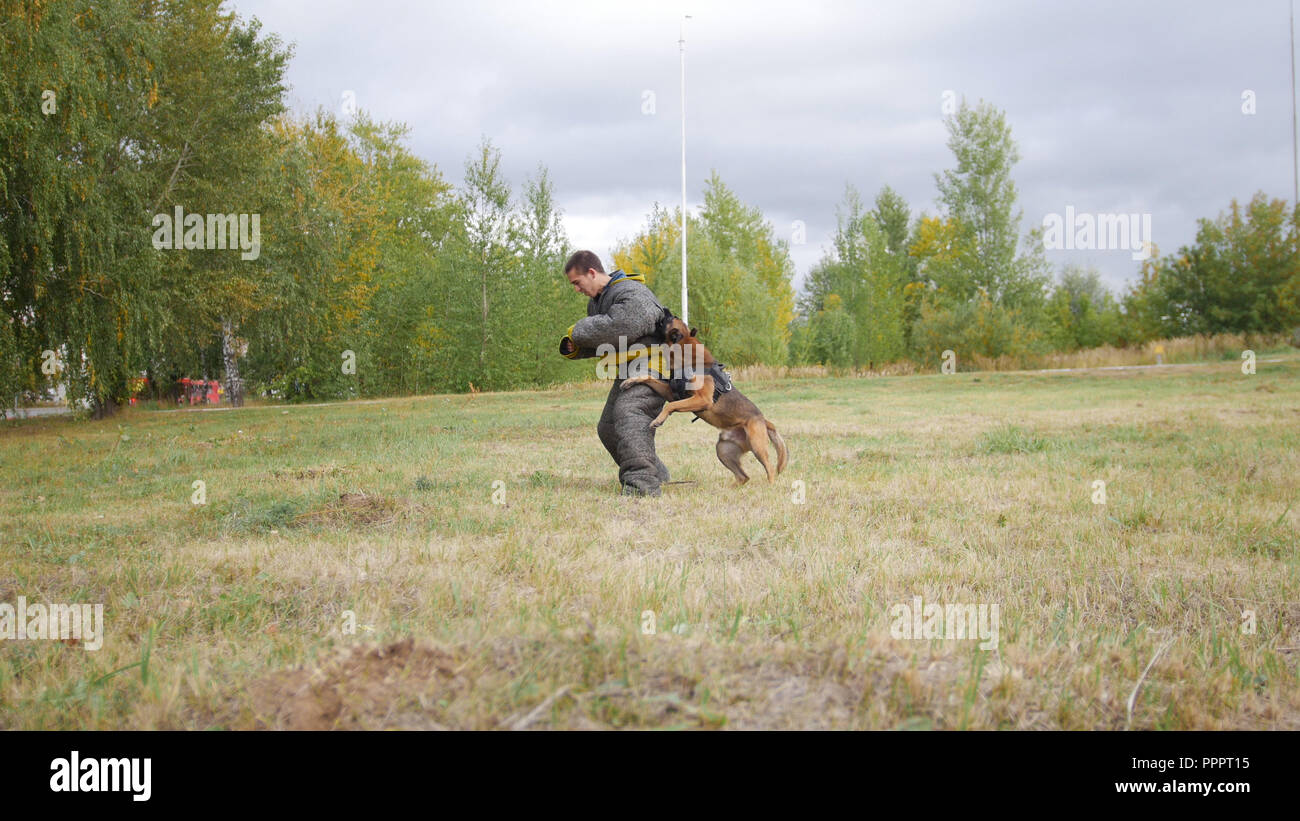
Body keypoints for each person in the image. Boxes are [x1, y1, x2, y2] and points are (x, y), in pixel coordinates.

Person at [559, 250, 673, 497]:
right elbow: (610, 338)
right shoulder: (597, 302)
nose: (576, 289)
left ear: (592, 273)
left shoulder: (630, 291)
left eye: (577, 283)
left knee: (629, 412)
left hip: (656, 365)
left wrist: (578, 331)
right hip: (631, 368)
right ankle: (657, 475)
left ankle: (642, 486)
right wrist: (576, 348)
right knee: (608, 427)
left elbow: (627, 323)